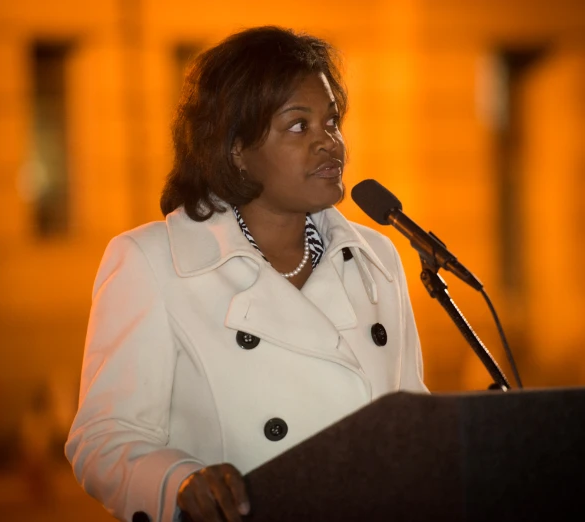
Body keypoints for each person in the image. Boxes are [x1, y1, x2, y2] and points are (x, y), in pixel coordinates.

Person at [65, 26, 428, 522]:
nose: (330, 143)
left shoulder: (378, 258)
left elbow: (410, 423)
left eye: (332, 121)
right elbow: (103, 439)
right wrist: (178, 482)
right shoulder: (151, 262)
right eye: (299, 126)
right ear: (236, 148)